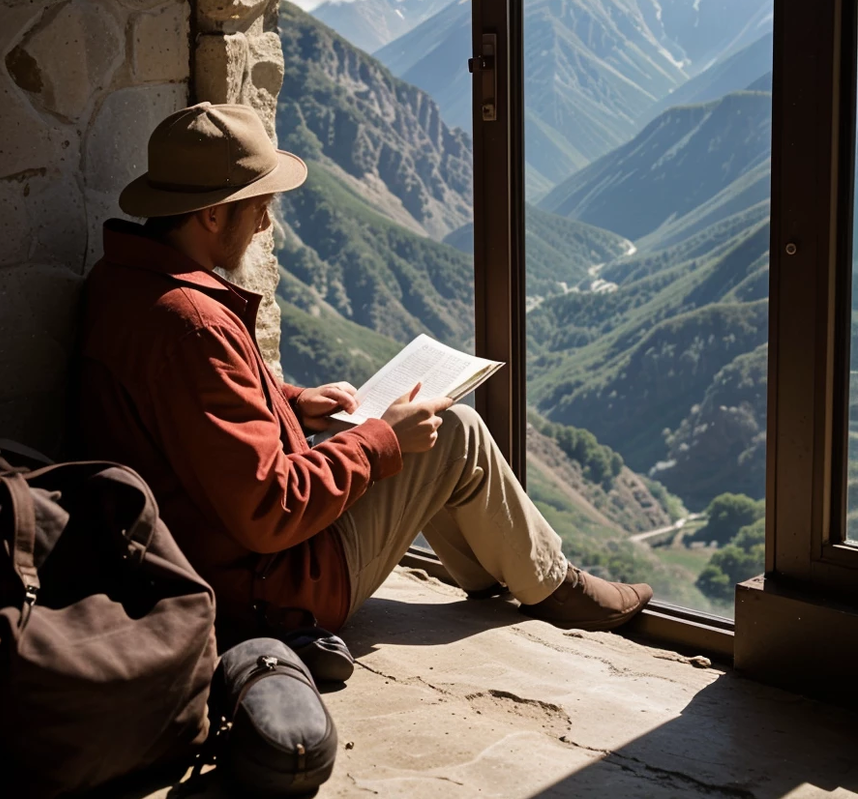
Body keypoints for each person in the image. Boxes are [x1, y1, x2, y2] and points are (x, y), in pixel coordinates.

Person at [78, 102, 652, 642]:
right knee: (455, 431)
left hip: (190, 558)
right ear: (209, 213)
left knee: (431, 431)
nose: (263, 222)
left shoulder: (123, 285)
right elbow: (268, 511)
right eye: (257, 205)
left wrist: (292, 400)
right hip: (270, 587)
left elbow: (188, 413)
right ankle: (556, 588)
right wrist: (381, 440)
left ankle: (506, 576)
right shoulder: (195, 324)